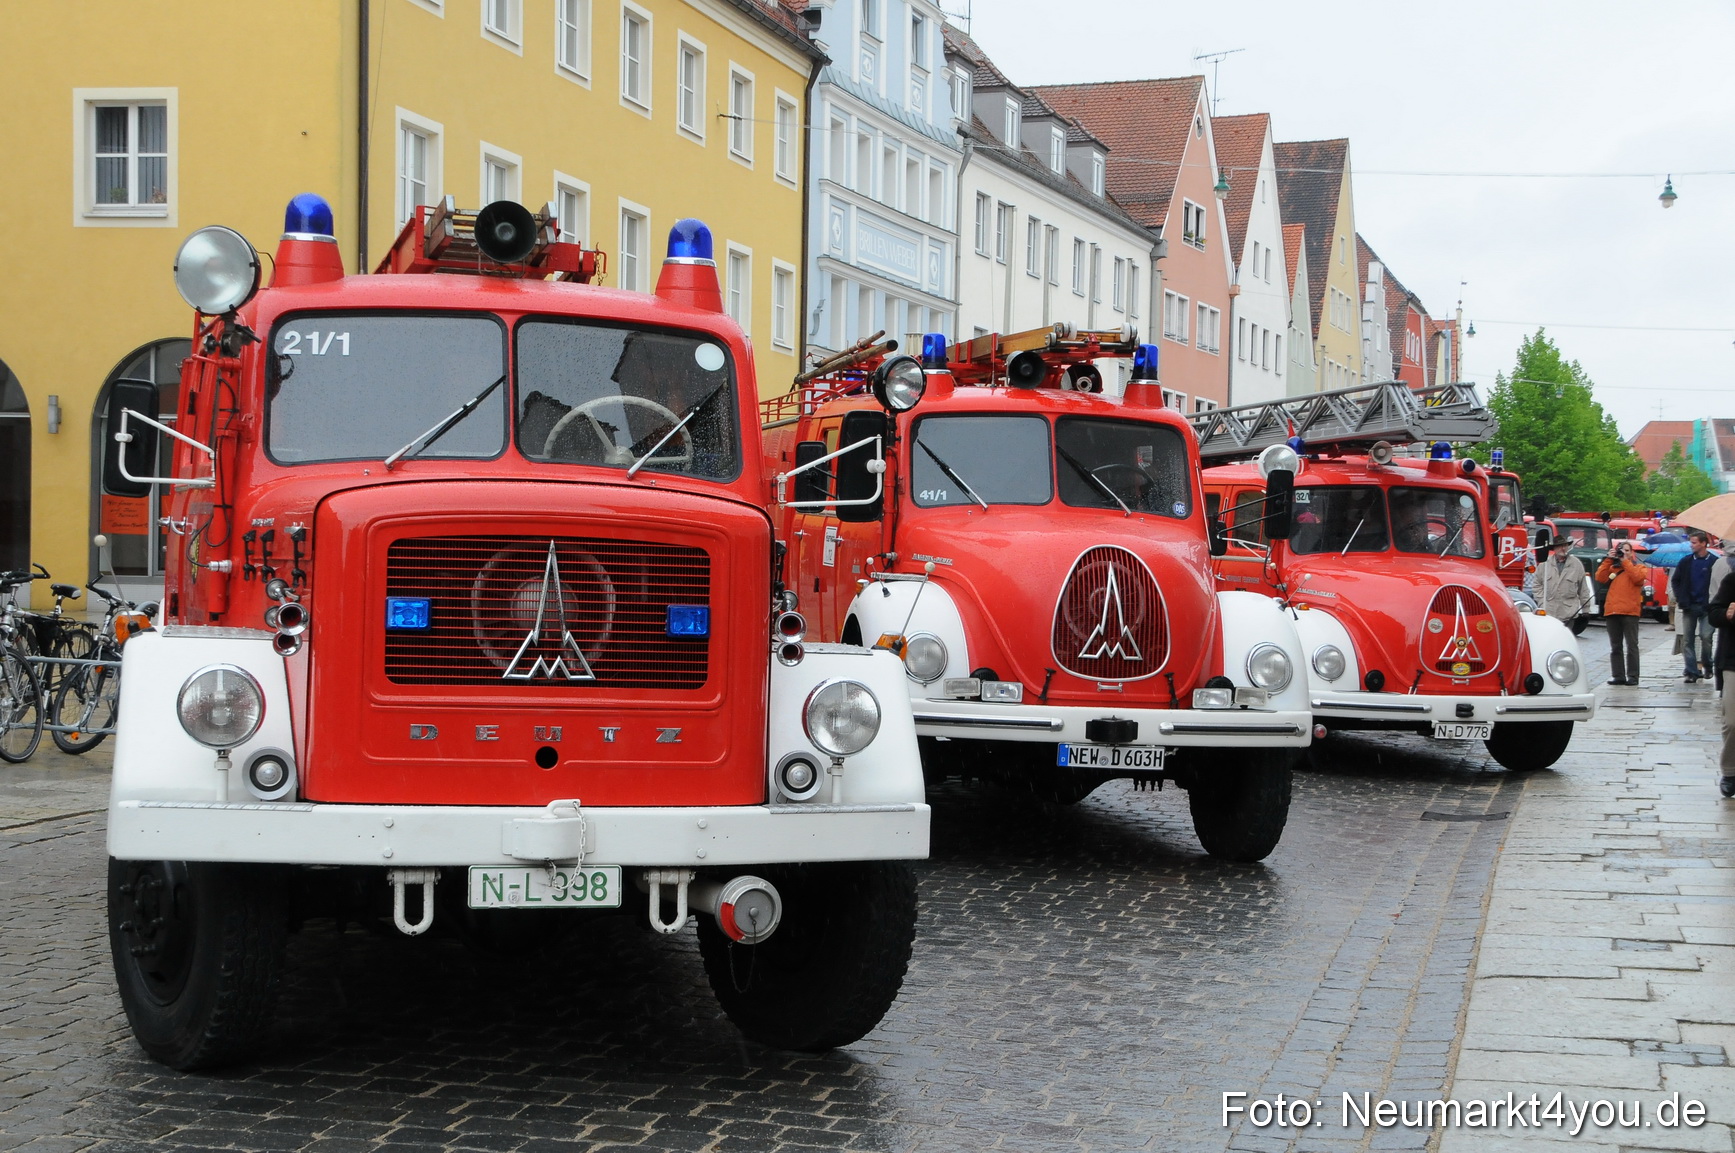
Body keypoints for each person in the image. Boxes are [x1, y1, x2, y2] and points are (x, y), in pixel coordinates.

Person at [1595, 541, 1648, 686]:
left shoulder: (1639, 567)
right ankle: (1618, 675)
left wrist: (1625, 561)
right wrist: (1608, 559)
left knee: (1632, 645)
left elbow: (1637, 578)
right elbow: (1600, 577)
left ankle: (1633, 676)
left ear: (1631, 553)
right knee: (1615, 646)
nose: (1623, 553)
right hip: (1612, 611)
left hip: (1630, 612)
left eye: (1626, 550)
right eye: (1621, 550)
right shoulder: (1613, 568)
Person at [1670, 531, 1718, 682]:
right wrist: (1680, 596)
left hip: (1707, 606)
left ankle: (1707, 664)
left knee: (1706, 636)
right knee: (1687, 640)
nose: (1692, 545)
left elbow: (1719, 583)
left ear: (1703, 543)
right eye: (1691, 542)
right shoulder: (1686, 561)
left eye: (1694, 542)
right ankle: (1692, 672)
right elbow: (1676, 580)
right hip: (1689, 605)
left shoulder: (1714, 562)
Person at [1708, 567, 1735, 797]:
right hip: (1733, 661)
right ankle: (1730, 771)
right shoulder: (1732, 580)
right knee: (1732, 721)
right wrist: (1727, 614)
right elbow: (1714, 614)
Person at [1539, 539, 1592, 628]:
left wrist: (1586, 609)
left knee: (1565, 640)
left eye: (1565, 546)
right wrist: (1541, 602)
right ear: (1554, 549)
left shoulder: (1576, 564)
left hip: (1568, 613)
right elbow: (1537, 584)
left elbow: (1583, 589)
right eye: (1560, 546)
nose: (1563, 548)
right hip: (1549, 613)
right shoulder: (1544, 564)